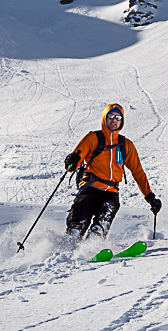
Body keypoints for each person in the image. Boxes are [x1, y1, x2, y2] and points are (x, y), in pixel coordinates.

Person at [63, 103, 161, 241]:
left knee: (103, 221)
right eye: (111, 116)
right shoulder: (93, 138)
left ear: (122, 121)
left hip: (110, 193)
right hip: (89, 189)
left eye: (118, 117)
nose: (114, 120)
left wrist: (150, 197)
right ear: (105, 118)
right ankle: (68, 246)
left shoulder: (126, 145)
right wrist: (71, 162)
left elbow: (138, 172)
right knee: (77, 224)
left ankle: (93, 245)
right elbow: (75, 161)